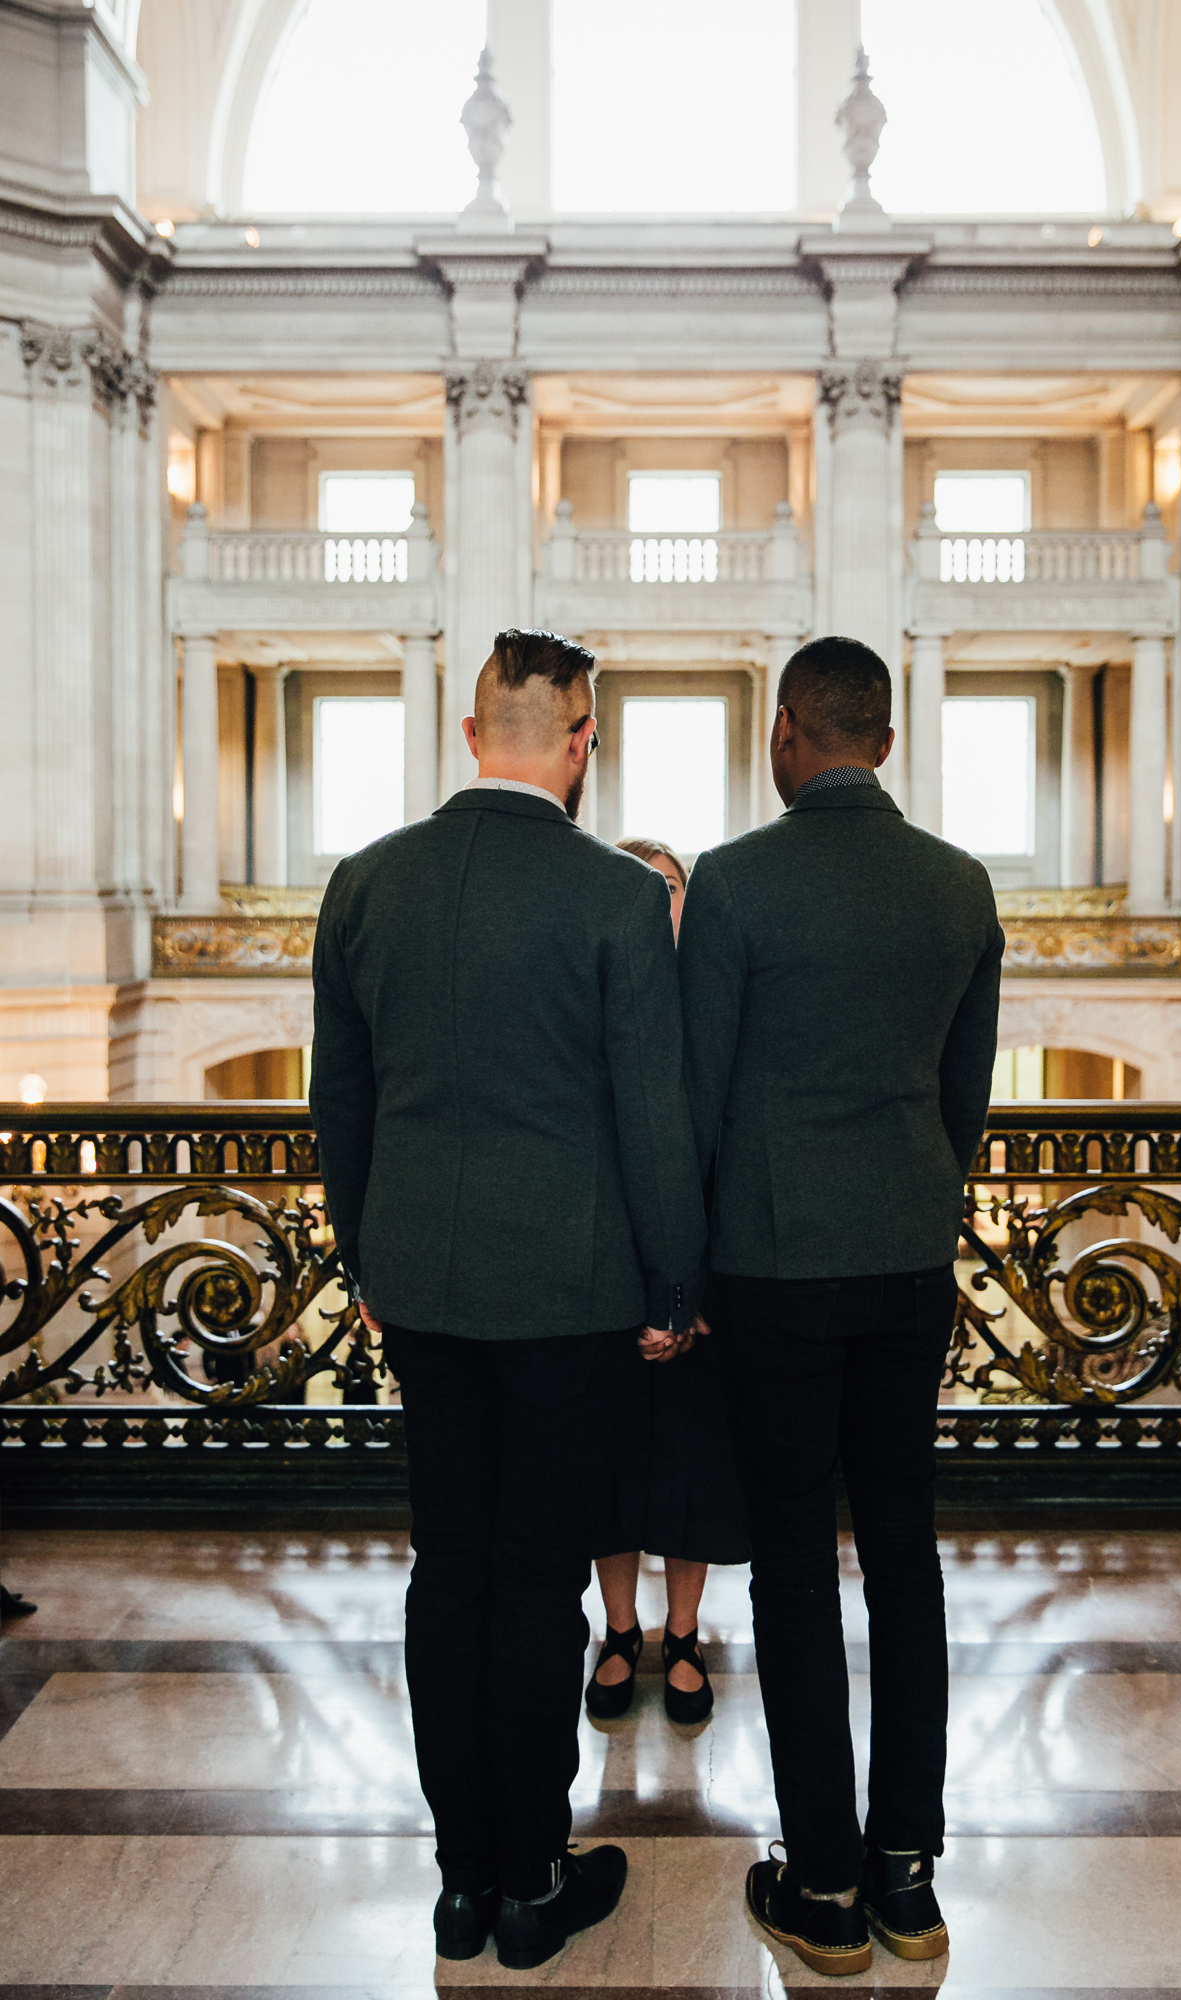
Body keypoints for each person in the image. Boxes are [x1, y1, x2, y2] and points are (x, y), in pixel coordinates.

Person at [310, 629, 707, 1973]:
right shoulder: (608, 899)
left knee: (447, 1575)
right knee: (538, 1583)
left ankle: (461, 1878)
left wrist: (365, 1257)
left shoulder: (366, 884)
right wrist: (674, 1280)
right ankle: (534, 1874)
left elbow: (341, 1103)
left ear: (473, 733)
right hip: (570, 1296)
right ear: (581, 738)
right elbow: (651, 1115)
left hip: (418, 1287)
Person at [678, 635, 1002, 1979]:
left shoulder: (738, 886)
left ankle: (818, 1883)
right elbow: (965, 1094)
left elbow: (697, 1095)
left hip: (770, 1267)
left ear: (789, 731)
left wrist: (678, 1271)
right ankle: (908, 1874)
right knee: (909, 1555)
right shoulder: (957, 885)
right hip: (906, 1259)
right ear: (886, 735)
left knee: (798, 1568)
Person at [586, 838, 749, 1728]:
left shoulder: (715, 998)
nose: (654, 903)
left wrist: (695, 1297)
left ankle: (681, 1634)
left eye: (669, 889)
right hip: (606, 1285)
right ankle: (618, 1631)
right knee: (608, 1468)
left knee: (696, 1468)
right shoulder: (593, 994)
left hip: (710, 1286)